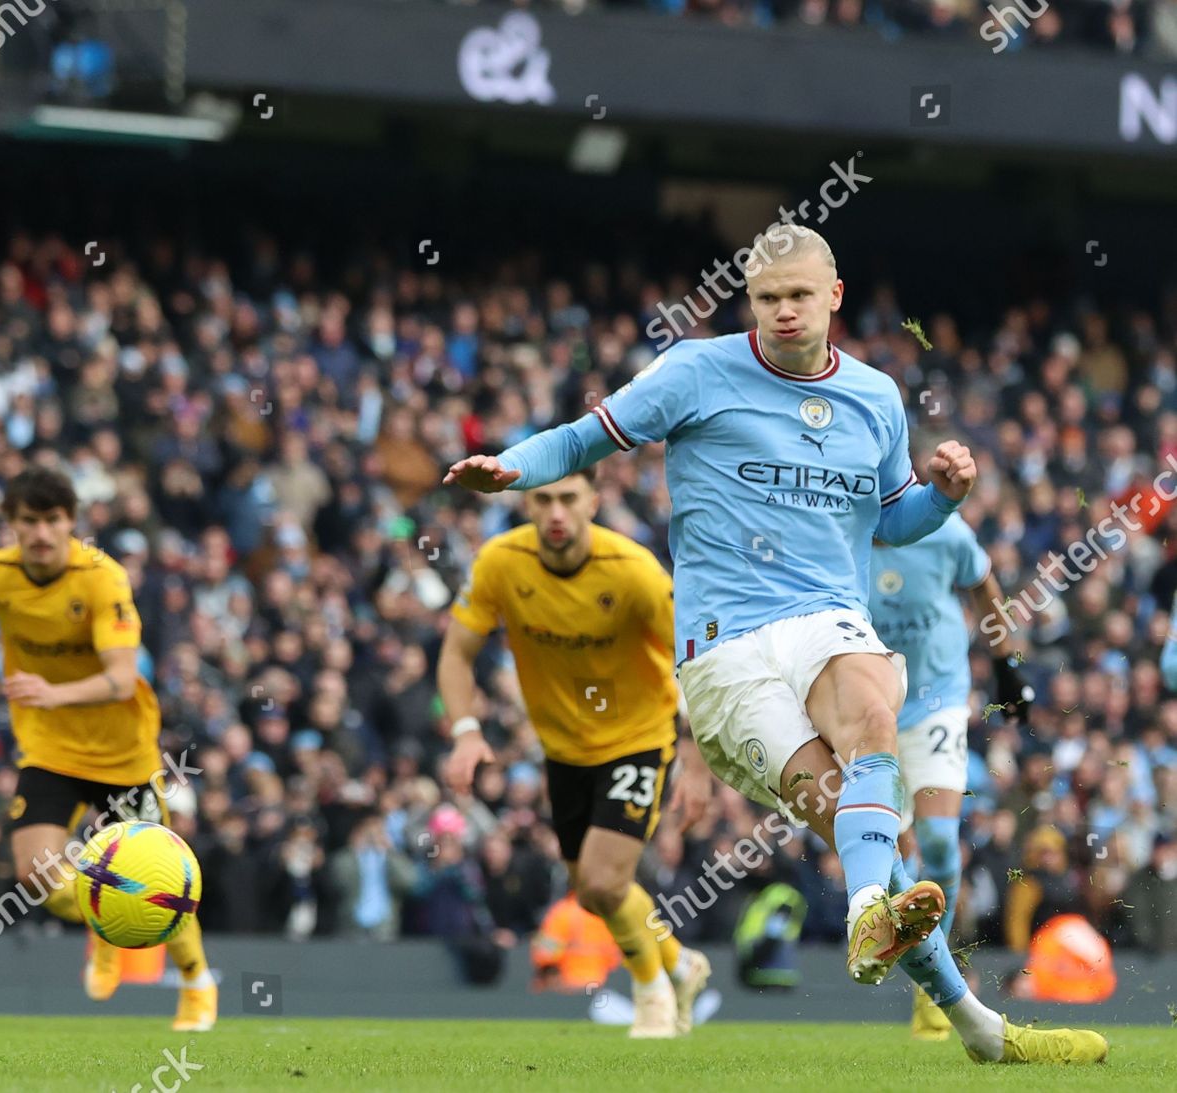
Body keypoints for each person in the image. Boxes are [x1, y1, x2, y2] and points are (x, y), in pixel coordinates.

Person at [445, 225, 1105, 1064]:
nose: (783, 312)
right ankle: (976, 1022)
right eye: (766, 298)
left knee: (872, 707)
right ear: (748, 300)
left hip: (826, 618)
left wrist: (942, 496)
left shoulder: (874, 397)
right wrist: (511, 466)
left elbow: (892, 520)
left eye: (798, 295)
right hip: (725, 650)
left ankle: (900, 939)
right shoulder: (696, 371)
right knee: (858, 827)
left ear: (834, 294)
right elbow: (583, 439)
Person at [438, 467, 712, 1039]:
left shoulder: (634, 572)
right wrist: (466, 730)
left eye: (568, 498)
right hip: (562, 749)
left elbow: (698, 658)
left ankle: (651, 991)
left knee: (607, 882)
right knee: (591, 889)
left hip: (638, 738)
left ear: (593, 500)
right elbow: (457, 653)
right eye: (543, 500)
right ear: (528, 505)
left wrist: (697, 758)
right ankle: (681, 964)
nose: (556, 513)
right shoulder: (500, 563)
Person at [0, 467, 217, 1032]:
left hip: (124, 752)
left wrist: (52, 692)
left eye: (52, 520)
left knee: (163, 882)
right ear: (12, 526)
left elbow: (122, 679)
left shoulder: (101, 579)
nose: (42, 533)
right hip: (49, 750)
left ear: (71, 522)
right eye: (30, 521)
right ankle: (107, 925)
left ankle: (197, 983)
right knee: (34, 876)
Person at [869, 511, 1035, 1039]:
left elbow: (982, 583)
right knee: (892, 857)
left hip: (937, 700)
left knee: (939, 844)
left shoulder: (942, 527)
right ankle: (928, 967)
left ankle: (931, 988)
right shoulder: (836, 529)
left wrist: (1006, 661)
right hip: (872, 711)